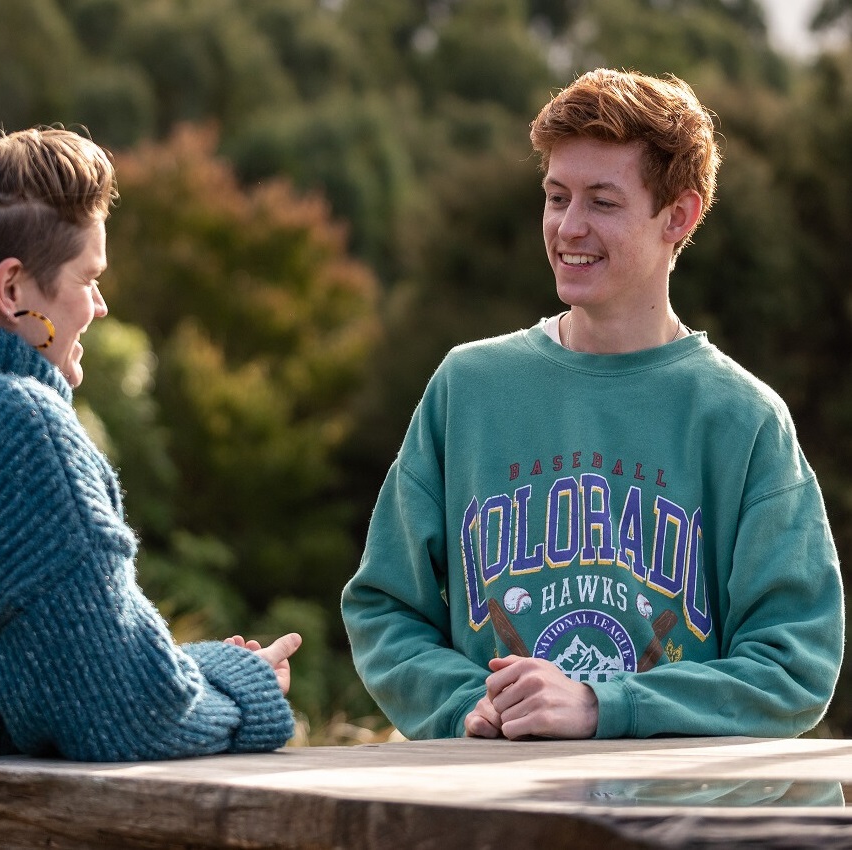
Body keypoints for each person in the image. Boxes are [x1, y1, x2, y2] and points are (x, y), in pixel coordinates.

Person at [0, 127, 301, 850]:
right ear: (13, 290)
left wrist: (187, 667)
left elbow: (65, 661)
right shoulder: (14, 429)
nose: (99, 307)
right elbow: (121, 713)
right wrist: (246, 685)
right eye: (89, 278)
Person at [341, 68, 843, 742]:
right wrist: (467, 706)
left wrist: (601, 706)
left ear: (678, 216)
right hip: (496, 821)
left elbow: (794, 668)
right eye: (556, 197)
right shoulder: (468, 387)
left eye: (601, 202)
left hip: (683, 830)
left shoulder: (742, 420)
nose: (568, 227)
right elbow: (383, 607)